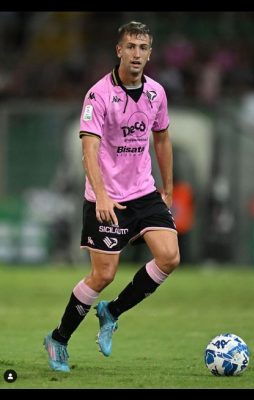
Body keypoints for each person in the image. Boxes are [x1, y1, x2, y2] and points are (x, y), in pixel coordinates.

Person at [43, 21, 180, 372]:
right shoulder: (98, 95)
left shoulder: (156, 93)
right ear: (119, 50)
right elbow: (89, 149)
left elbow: (162, 138)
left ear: (150, 53)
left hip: (144, 191)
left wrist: (167, 187)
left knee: (169, 257)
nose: (136, 53)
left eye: (143, 47)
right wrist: (101, 196)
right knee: (103, 275)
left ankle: (112, 311)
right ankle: (58, 338)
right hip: (107, 196)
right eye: (130, 46)